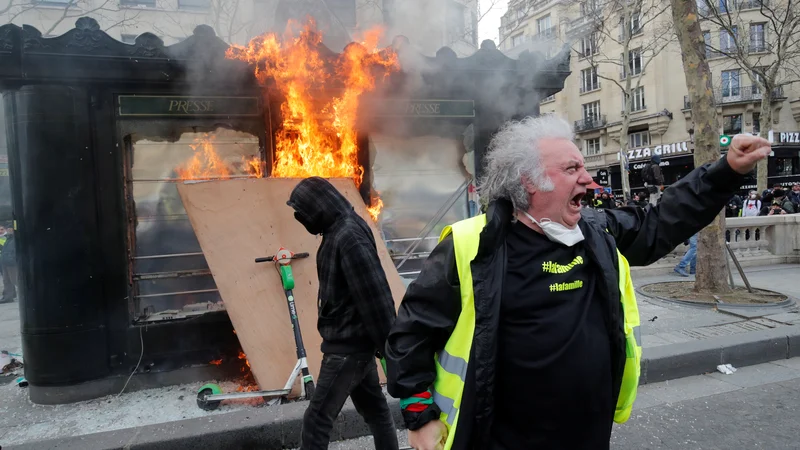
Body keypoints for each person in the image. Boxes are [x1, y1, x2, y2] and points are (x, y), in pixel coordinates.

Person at [384, 115, 770, 450]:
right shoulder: (471, 244)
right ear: (530, 182)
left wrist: (726, 171)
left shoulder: (596, 231)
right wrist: (419, 415)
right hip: (499, 439)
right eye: (572, 169)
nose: (588, 179)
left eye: (583, 168)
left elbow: (660, 222)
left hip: (587, 433)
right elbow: (410, 334)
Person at [287, 177, 399, 450]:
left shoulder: (347, 236)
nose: (300, 218)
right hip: (352, 343)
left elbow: (376, 297)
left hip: (347, 350)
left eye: (303, 211)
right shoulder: (337, 229)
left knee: (316, 421)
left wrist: (392, 350)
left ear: (319, 207)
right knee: (376, 413)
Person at [0, 226, 17, 304]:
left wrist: (12, 258)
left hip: (11, 262)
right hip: (5, 261)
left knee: (14, 280)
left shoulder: (15, 238)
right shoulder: (9, 238)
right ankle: (8, 297)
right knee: (6, 280)